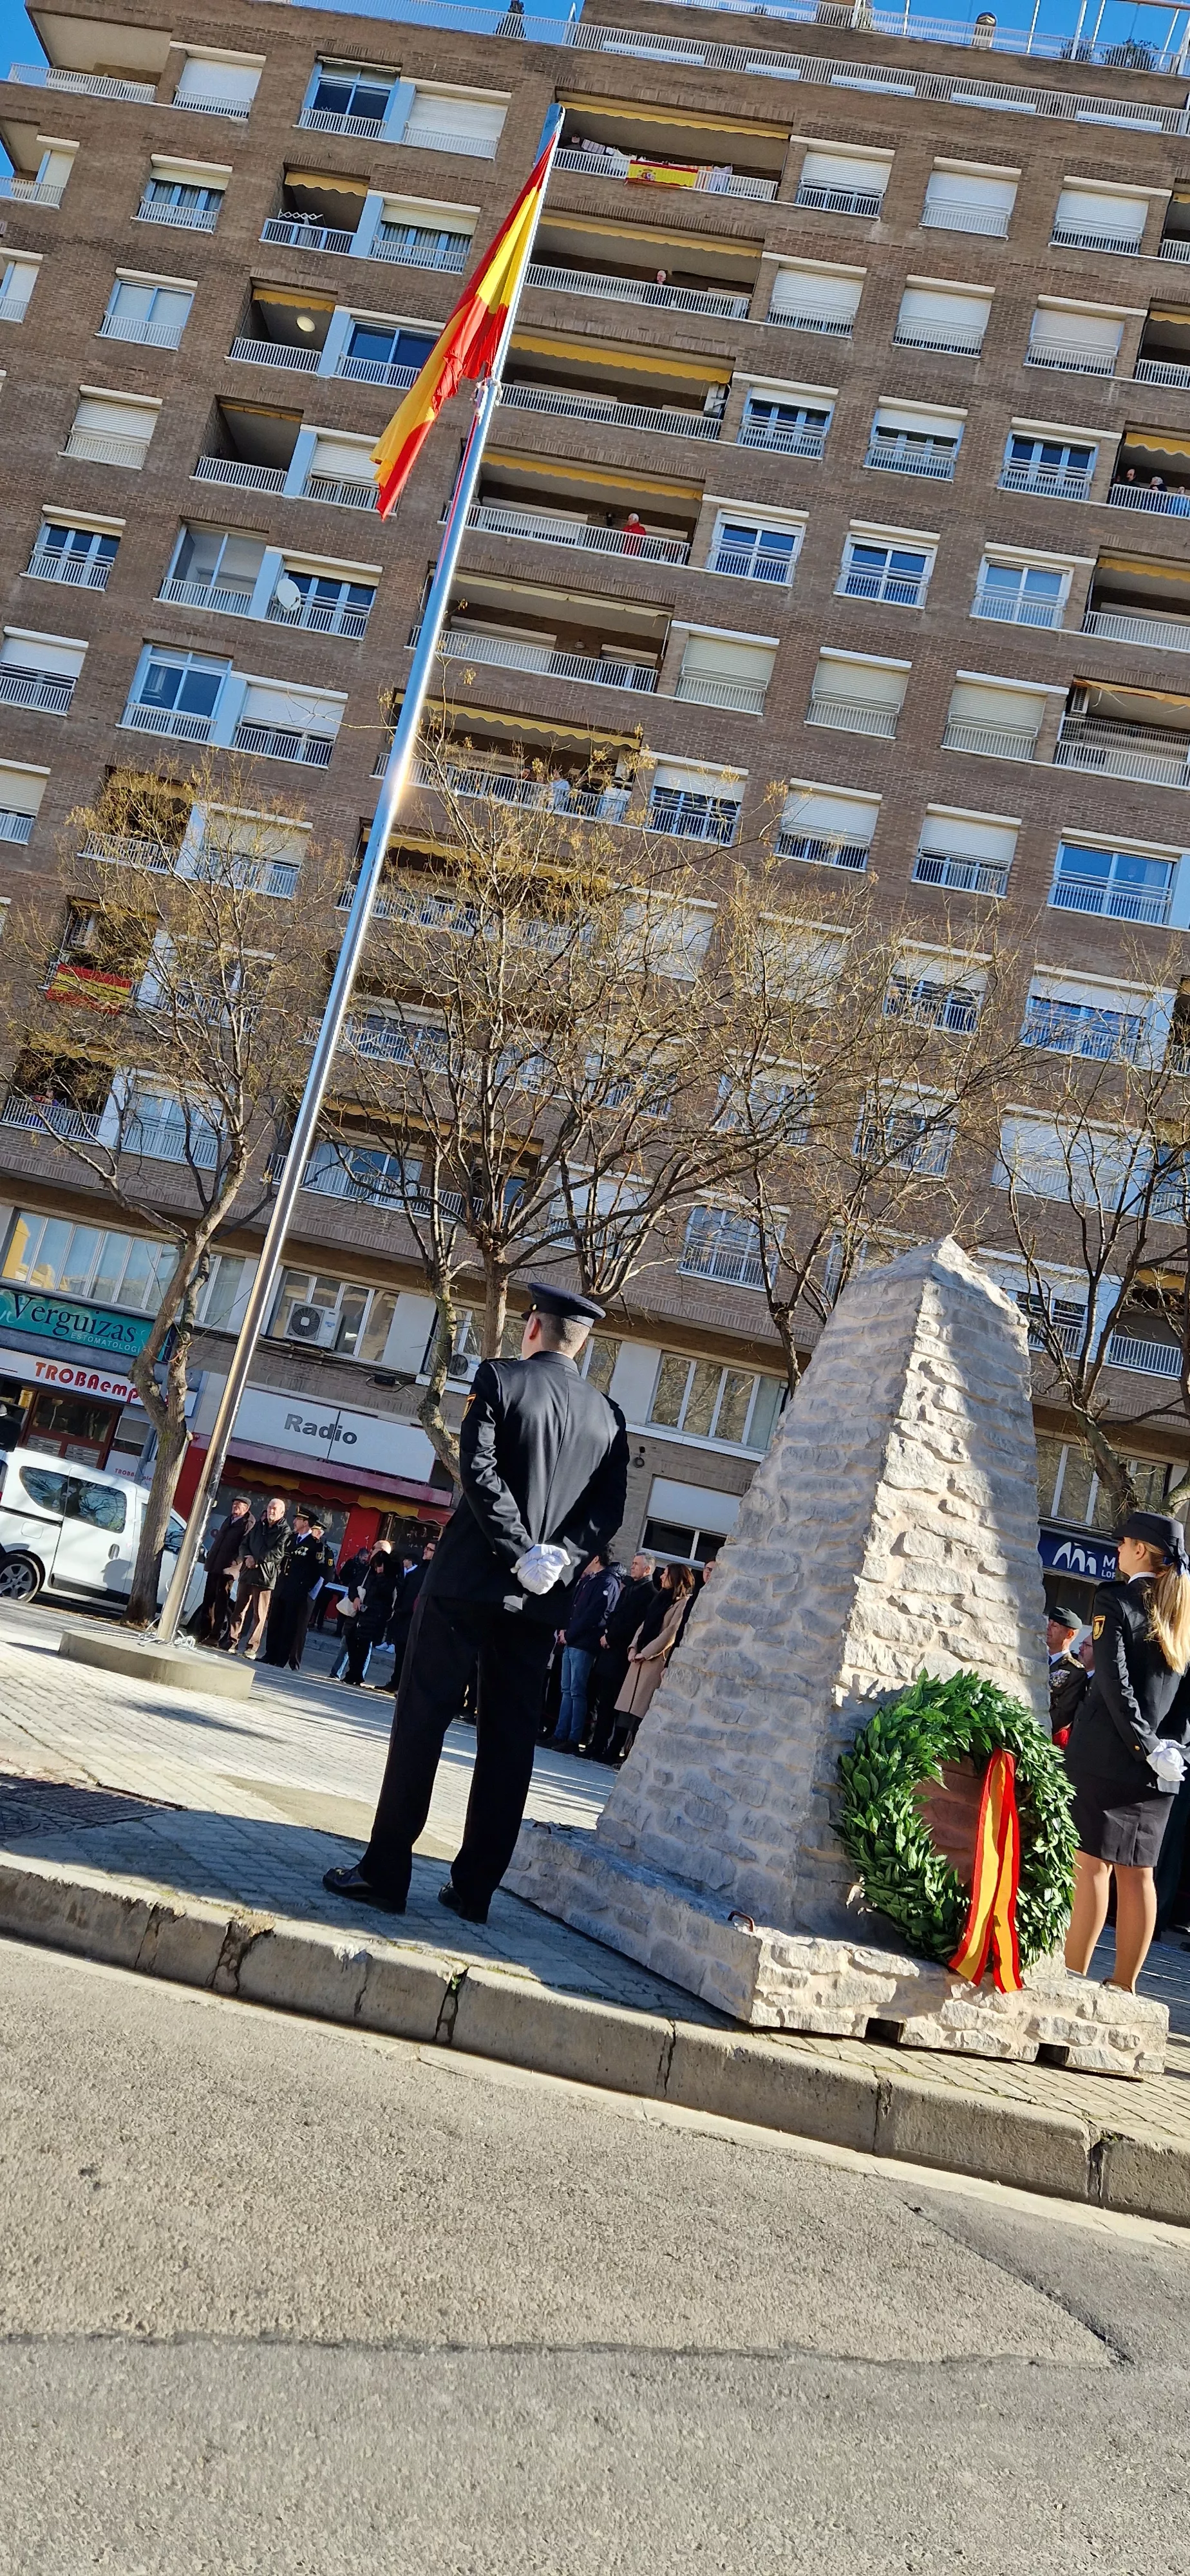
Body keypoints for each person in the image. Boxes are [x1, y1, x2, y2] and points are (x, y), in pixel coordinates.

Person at [323, 1280, 628, 1923]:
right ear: (584, 1344)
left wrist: (520, 1547)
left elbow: (479, 1472)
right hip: (538, 1603)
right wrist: (560, 1558)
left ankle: (386, 1873)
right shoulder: (609, 1417)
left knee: (422, 1722)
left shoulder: (499, 1378)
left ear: (532, 1328)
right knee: (509, 1744)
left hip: (466, 1583)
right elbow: (608, 1513)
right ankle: (474, 1890)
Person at [1064, 1511, 1190, 1994]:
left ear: (1141, 1549)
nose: (1117, 1549)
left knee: (1092, 1865)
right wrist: (1173, 1748)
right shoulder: (1184, 1610)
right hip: (1162, 1767)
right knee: (1139, 1876)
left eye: (1123, 1542)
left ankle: (1073, 1977)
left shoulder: (1114, 1600)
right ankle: (1123, 1986)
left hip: (1106, 1755)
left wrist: (1144, 1744)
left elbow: (1115, 1686)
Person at [612, 1562, 697, 1757]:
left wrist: (647, 1652)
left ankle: (632, 1753)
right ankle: (614, 1749)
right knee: (626, 1709)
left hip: (653, 1661)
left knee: (641, 1710)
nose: (661, 1577)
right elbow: (645, 1624)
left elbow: (671, 1632)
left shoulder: (682, 1603)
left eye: (666, 1574)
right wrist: (634, 1647)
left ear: (675, 1578)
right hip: (638, 1659)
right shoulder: (660, 1598)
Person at [549, 1550, 620, 1752]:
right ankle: (559, 1734)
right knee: (566, 1690)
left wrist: (570, 1634)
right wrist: (564, 1629)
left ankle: (573, 1738)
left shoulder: (607, 1582)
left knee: (576, 1692)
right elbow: (574, 1609)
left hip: (584, 1644)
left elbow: (594, 1615)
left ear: (597, 1558)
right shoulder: (590, 1580)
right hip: (572, 1641)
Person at [587, 1553, 655, 1762]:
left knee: (613, 1705)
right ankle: (596, 1744)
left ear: (648, 1570)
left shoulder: (648, 1593)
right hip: (609, 1653)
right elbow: (616, 1615)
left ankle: (608, 1748)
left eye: (636, 1564)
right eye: (632, 1563)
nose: (631, 1567)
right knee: (602, 1702)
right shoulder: (630, 1588)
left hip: (621, 1656)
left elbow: (634, 1625)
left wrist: (611, 1637)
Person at [264, 1512, 332, 1671]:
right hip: (282, 1587)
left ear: (306, 1523)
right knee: (275, 1622)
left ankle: (281, 1658)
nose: (294, 1522)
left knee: (289, 1626)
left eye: (298, 1519)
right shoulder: (291, 1539)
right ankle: (270, 1654)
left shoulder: (315, 1545)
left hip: (297, 1591)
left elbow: (321, 1573)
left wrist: (310, 1593)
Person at [227, 1497, 289, 1659]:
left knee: (259, 1615)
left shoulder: (285, 1531)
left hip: (265, 1577)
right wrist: (247, 1556)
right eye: (270, 1508)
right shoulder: (258, 1526)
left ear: (282, 1513)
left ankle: (251, 1647)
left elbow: (278, 1552)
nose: (271, 1511)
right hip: (248, 1572)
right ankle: (232, 1641)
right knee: (239, 1609)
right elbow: (244, 1544)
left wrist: (257, 1559)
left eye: (275, 1509)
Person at [192, 1495, 251, 1648]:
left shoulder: (247, 1524)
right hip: (215, 1565)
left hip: (228, 1569)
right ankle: (204, 1632)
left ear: (246, 1509)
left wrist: (236, 1562)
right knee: (208, 1601)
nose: (235, 1507)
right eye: (234, 1504)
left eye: (239, 1505)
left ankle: (215, 1635)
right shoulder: (229, 1520)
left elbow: (245, 1545)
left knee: (221, 1603)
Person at [342, 1541, 399, 1685]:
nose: (371, 1551)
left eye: (374, 1549)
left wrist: (380, 1575)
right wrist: (355, 1598)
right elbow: (354, 1585)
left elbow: (388, 1594)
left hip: (373, 1615)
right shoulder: (366, 1570)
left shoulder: (390, 1574)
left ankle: (356, 1675)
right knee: (350, 1640)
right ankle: (352, 1673)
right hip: (357, 1612)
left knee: (364, 1645)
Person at [385, 1539, 436, 1693]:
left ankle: (405, 1686)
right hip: (403, 1617)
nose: (425, 1551)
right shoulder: (418, 1570)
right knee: (400, 1652)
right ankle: (395, 1682)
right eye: (426, 1548)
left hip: (418, 1619)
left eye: (430, 1549)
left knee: (412, 1655)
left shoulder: (434, 1573)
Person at [1046, 1602, 1087, 1741]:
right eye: (1049, 1623)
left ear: (1069, 1634)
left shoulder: (1075, 1672)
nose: (1048, 1628)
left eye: (1055, 1626)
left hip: (1044, 1734)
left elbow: (1063, 1714)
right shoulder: (1035, 1657)